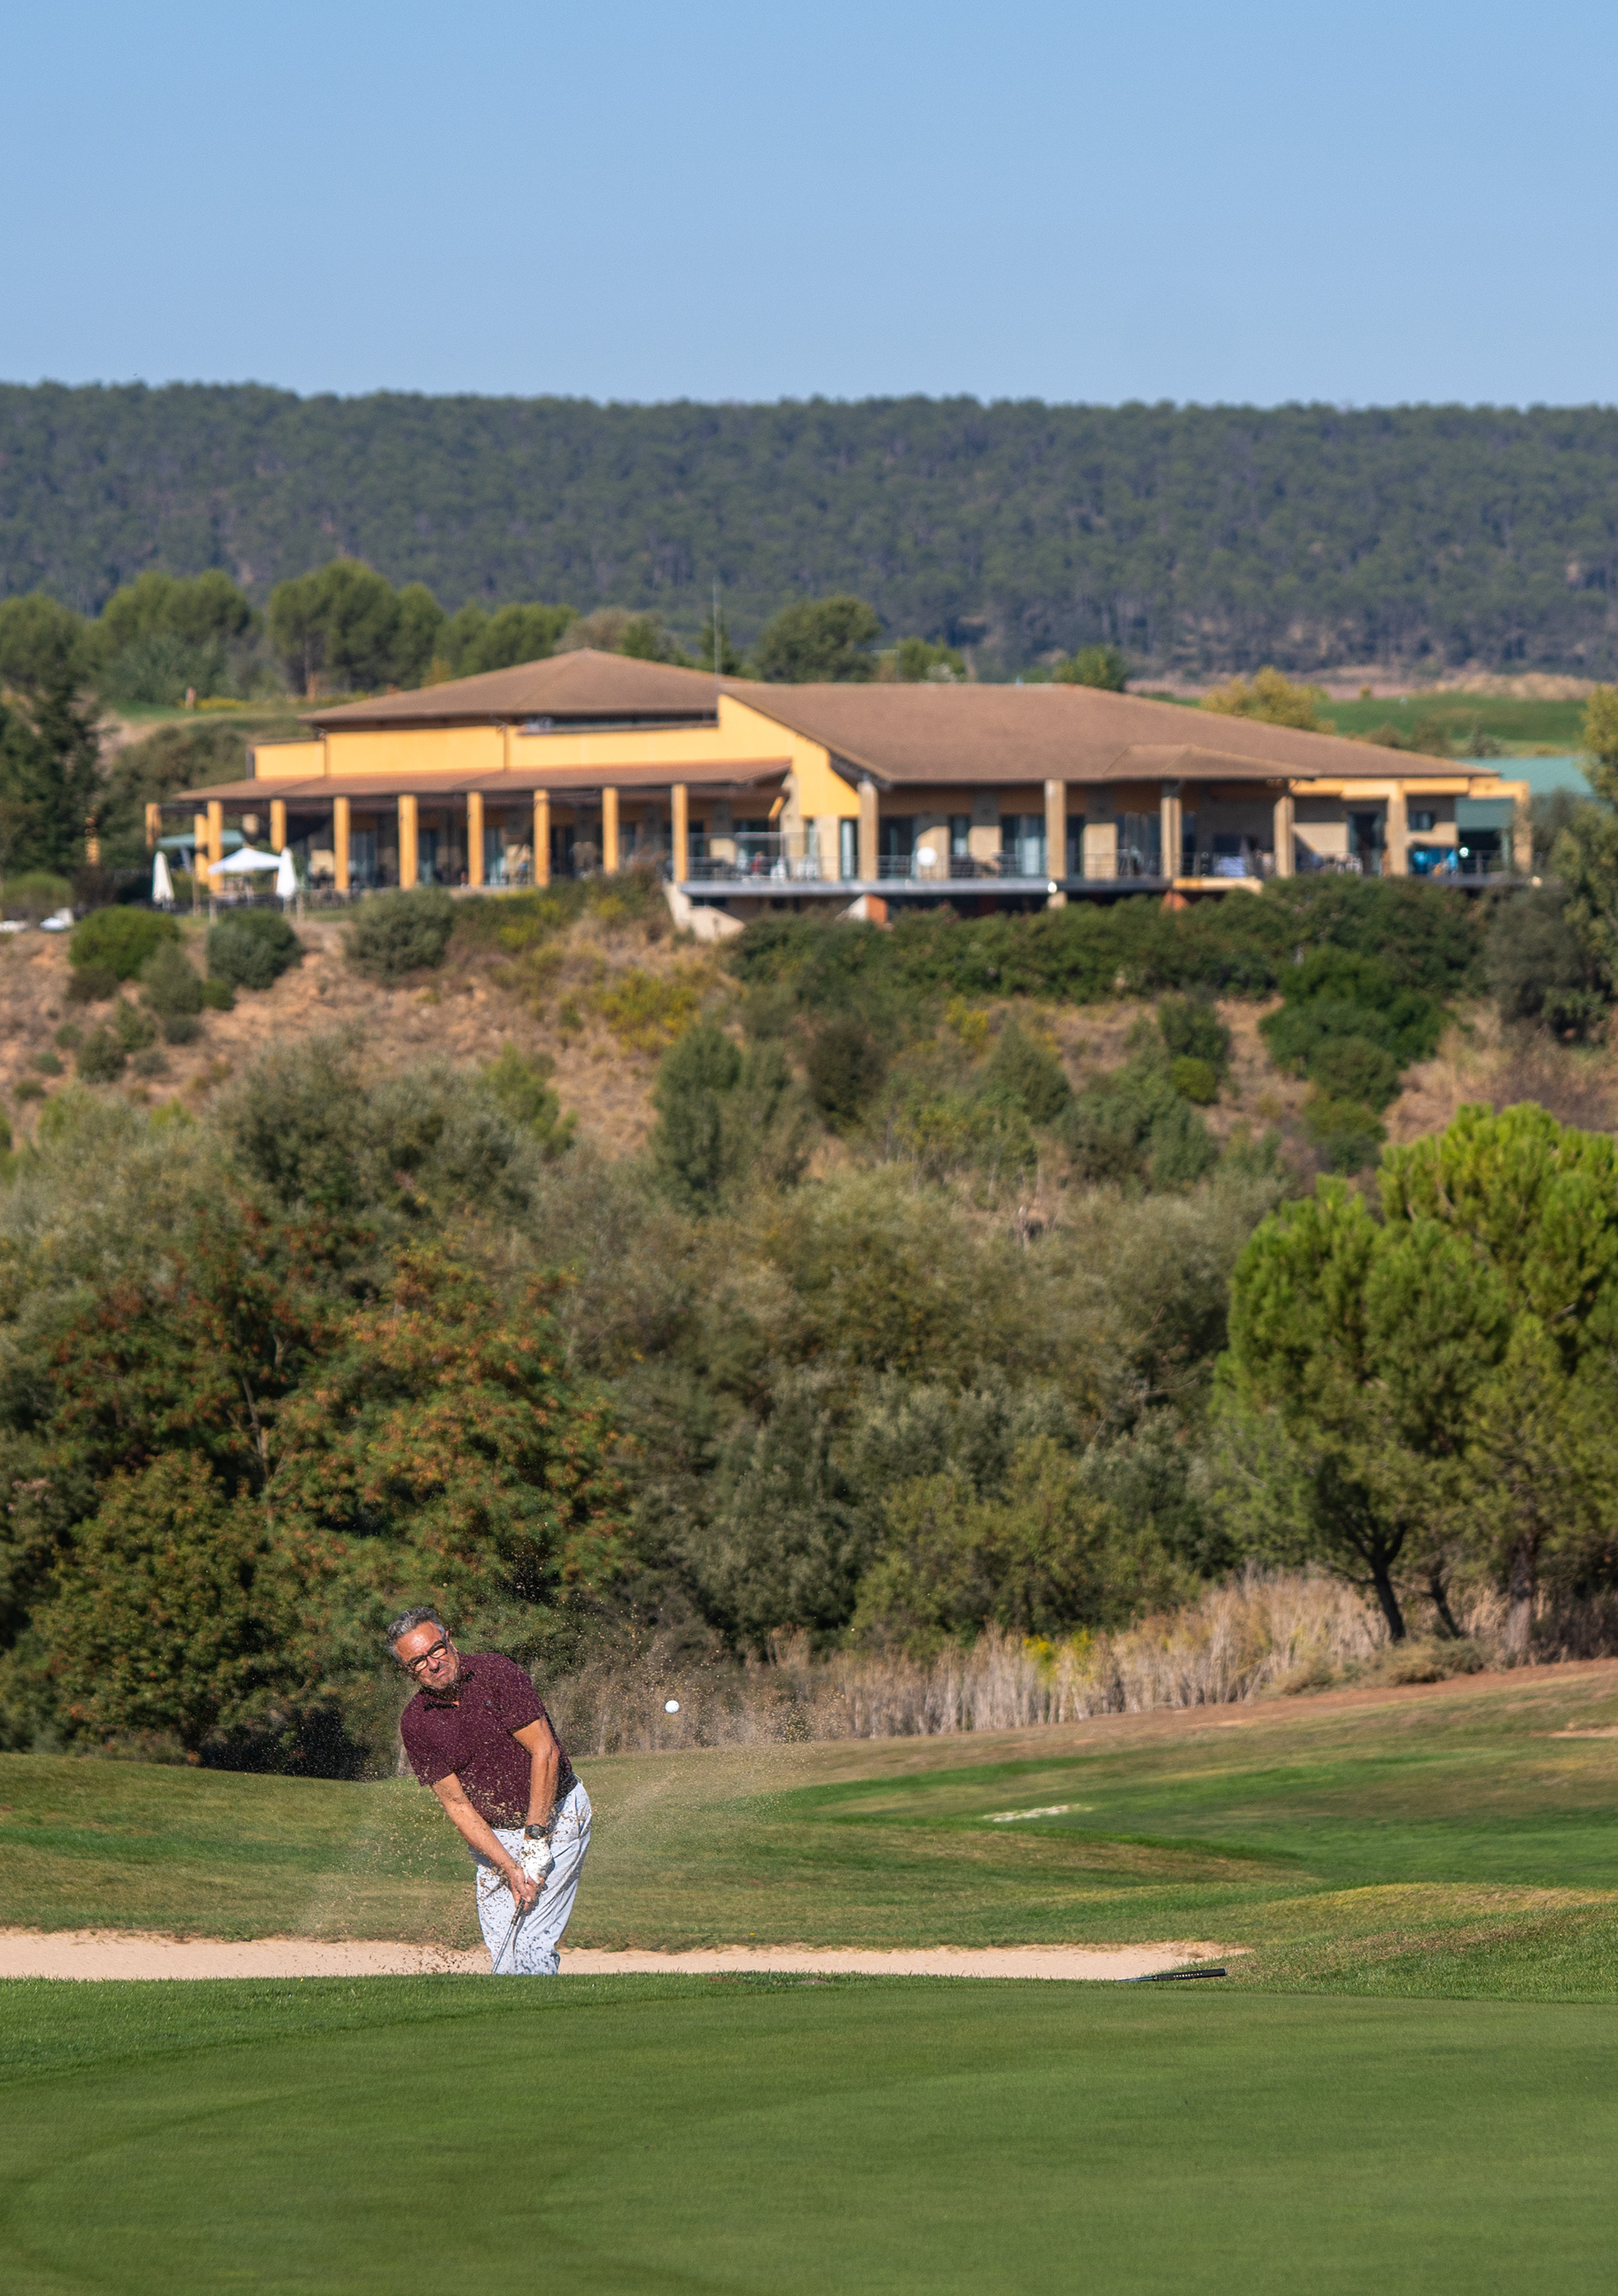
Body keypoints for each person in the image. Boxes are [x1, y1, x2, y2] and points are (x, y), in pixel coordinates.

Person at [388, 1606, 592, 1976]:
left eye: (436, 1649)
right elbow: (457, 1805)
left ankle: (540, 2007)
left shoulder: (495, 1673)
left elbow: (544, 1751)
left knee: (531, 1944)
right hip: (496, 1838)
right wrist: (509, 1866)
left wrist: (535, 1840)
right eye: (418, 1661)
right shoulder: (416, 1722)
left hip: (557, 1815)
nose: (433, 1664)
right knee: (504, 1956)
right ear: (407, 1670)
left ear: (449, 1639)